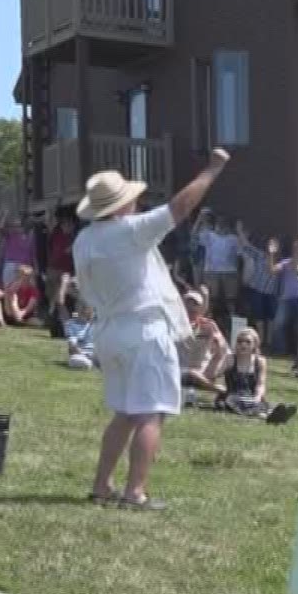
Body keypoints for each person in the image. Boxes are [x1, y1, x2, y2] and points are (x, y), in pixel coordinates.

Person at [74, 148, 231, 510]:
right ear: (119, 206)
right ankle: (135, 492)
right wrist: (211, 170)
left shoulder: (85, 240)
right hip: (143, 331)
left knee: (126, 412)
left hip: (110, 331)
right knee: (151, 411)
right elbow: (179, 208)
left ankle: (102, 485)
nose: (136, 203)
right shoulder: (130, 231)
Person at [211, 327, 298, 424]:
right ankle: (271, 417)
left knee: (261, 405)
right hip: (232, 396)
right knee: (246, 405)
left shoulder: (260, 361)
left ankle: (276, 414)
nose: (243, 344)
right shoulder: (230, 359)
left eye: (248, 342)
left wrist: (257, 396)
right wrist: (218, 355)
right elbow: (214, 374)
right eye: (240, 341)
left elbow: (261, 384)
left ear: (255, 344)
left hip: (252, 396)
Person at [175, 289, 229, 401]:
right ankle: (219, 390)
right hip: (180, 369)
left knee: (226, 358)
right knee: (191, 373)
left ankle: (202, 383)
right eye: (188, 303)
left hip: (203, 369)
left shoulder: (209, 325)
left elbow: (223, 349)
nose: (191, 307)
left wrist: (218, 345)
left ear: (200, 308)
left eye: (195, 304)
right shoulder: (175, 325)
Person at [270, 236, 298, 371]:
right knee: (278, 323)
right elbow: (272, 270)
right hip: (287, 298)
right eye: (297, 247)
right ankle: (280, 351)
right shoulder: (286, 262)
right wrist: (271, 254)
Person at [194, 210, 240, 336]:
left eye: (224, 223)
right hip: (212, 272)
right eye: (219, 222)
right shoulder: (209, 235)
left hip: (229, 272)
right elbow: (194, 235)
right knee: (211, 300)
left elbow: (240, 253)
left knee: (231, 301)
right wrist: (200, 218)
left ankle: (234, 332)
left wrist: (239, 231)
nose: (221, 225)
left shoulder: (233, 239)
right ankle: (206, 330)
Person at [45, 214, 77, 324]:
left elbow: (69, 251)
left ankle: (62, 319)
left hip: (66, 271)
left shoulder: (73, 237)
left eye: (69, 225)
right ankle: (54, 318)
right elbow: (49, 223)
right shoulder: (56, 234)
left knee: (60, 295)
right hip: (53, 269)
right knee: (52, 296)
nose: (67, 227)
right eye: (65, 225)